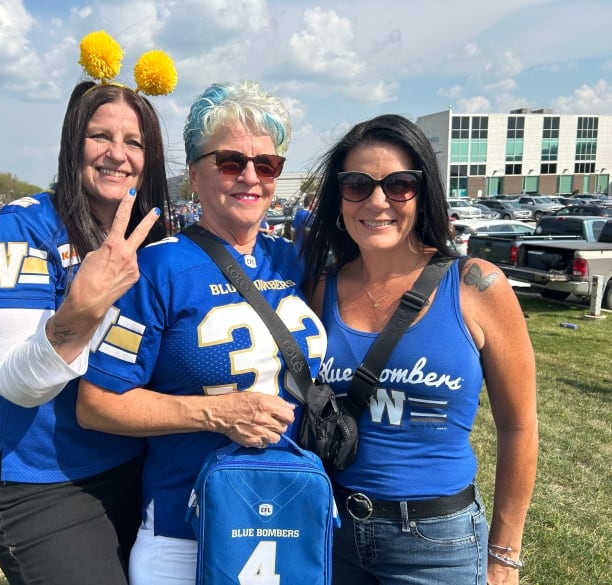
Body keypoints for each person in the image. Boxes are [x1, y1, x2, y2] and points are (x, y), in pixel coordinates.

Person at [76, 80, 327, 585]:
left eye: (267, 164)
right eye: (230, 162)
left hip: (290, 516)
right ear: (194, 173)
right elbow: (96, 402)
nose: (250, 177)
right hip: (184, 530)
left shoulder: (295, 261)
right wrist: (213, 413)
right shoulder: (157, 268)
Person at [0, 29, 175, 585]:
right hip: (46, 483)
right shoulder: (21, 227)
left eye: (134, 141)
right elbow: (16, 382)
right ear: (72, 142)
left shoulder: (156, 233)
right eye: (99, 136)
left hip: (141, 464)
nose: (117, 154)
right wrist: (78, 313)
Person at [301, 114, 538, 585]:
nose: (376, 201)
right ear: (338, 197)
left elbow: (519, 426)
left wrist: (504, 555)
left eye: (399, 185)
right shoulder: (318, 289)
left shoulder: (476, 286)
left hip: (438, 543)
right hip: (332, 530)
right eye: (356, 185)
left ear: (422, 191)